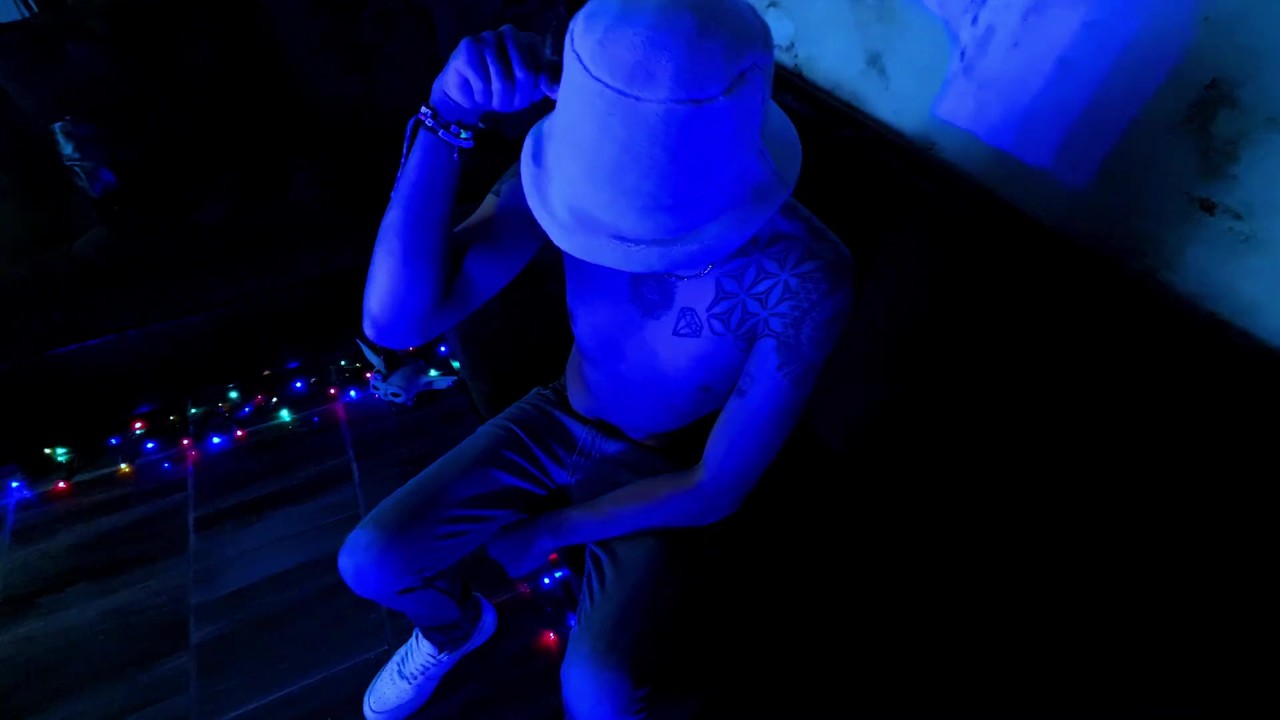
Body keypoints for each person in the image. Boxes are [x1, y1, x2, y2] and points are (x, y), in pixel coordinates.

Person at [339, 1, 852, 718]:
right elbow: (395, 321)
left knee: (598, 693)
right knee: (372, 560)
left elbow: (715, 486)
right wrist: (447, 111)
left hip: (665, 464)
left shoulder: (803, 275)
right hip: (558, 415)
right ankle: (455, 628)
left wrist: (552, 531)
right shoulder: (571, 176)